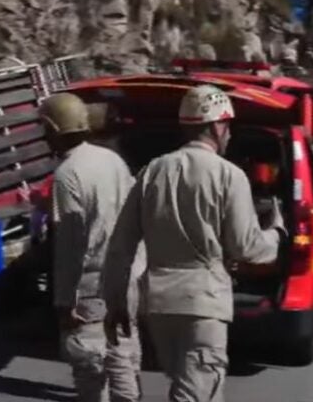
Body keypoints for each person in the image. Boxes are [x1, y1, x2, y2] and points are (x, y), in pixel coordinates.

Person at [103, 85, 286, 402]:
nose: (228, 134)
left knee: (182, 384)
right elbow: (247, 248)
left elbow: (121, 245)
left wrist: (117, 301)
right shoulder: (229, 175)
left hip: (158, 305)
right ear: (217, 125)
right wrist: (276, 234)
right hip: (203, 302)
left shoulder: (151, 171)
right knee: (196, 394)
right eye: (227, 126)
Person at [40, 93, 144, 402]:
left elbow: (70, 243)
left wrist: (63, 299)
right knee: (122, 354)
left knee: (89, 363)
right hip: (126, 276)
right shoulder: (112, 159)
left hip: (90, 284)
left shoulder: (67, 174)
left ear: (54, 129)